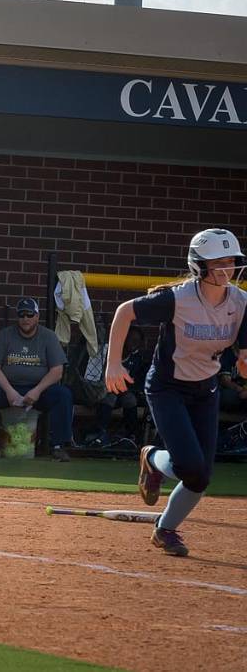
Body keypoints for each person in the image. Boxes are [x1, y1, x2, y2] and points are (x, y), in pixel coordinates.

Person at [105, 228, 247, 557]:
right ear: (199, 266)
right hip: (168, 388)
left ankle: (165, 530)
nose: (228, 269)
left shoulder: (240, 303)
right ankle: (152, 457)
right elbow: (125, 312)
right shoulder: (178, 299)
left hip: (206, 390)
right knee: (189, 466)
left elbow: (244, 349)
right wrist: (113, 363)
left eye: (232, 261)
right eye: (219, 263)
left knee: (200, 477)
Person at [0, 297, 73, 461]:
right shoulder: (5, 335)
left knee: (63, 394)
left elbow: (57, 371)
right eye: (22, 315)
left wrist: (37, 391)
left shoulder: (49, 336)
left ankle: (58, 446)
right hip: (8, 388)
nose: (25, 319)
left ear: (37, 316)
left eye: (29, 315)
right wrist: (9, 391)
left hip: (39, 390)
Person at [82, 325, 148, 447]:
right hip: (99, 394)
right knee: (110, 395)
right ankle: (99, 433)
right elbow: (91, 378)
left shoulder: (137, 359)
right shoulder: (106, 353)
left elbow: (136, 383)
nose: (135, 344)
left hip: (122, 394)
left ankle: (131, 435)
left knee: (130, 399)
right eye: (132, 340)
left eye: (137, 341)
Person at [217, 346, 247, 413]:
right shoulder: (227, 353)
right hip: (234, 390)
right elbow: (225, 380)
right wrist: (241, 390)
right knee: (228, 397)